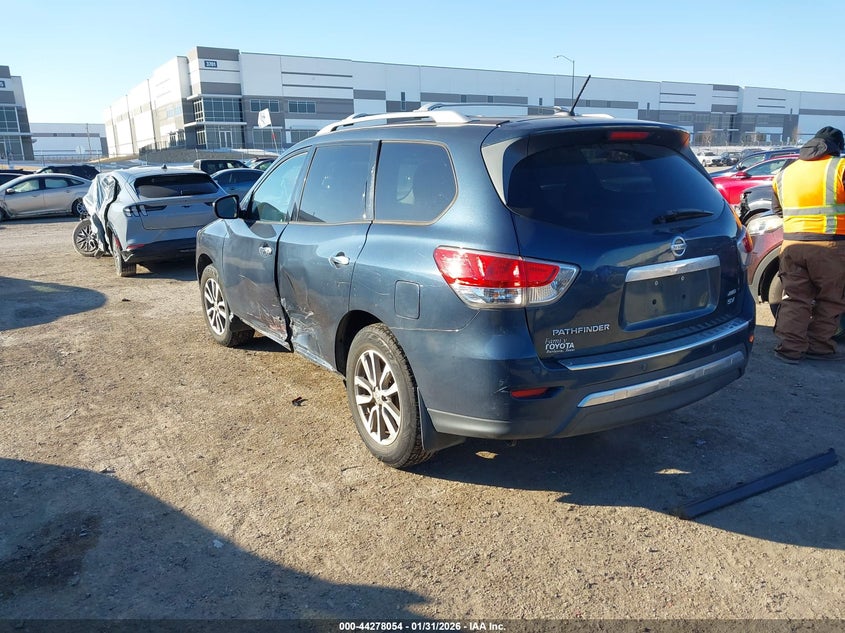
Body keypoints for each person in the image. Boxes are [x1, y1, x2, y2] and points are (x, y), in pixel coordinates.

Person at [770, 126, 845, 363]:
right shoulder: (839, 167)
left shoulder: (786, 172)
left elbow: (777, 209)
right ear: (836, 148)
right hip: (831, 245)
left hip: (791, 244)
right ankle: (819, 347)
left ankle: (790, 350)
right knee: (830, 299)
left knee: (795, 298)